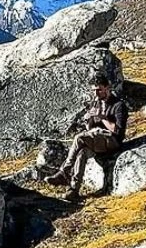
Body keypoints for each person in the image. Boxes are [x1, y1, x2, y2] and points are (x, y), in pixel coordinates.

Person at [45, 72, 128, 201]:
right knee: (82, 153)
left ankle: (64, 172)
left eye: (99, 90)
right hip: (98, 142)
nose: (96, 94)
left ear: (107, 88)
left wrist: (103, 118)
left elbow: (117, 131)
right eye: (94, 91)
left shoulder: (119, 105)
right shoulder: (96, 104)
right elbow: (90, 129)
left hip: (113, 141)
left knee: (79, 138)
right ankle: (74, 190)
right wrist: (88, 119)